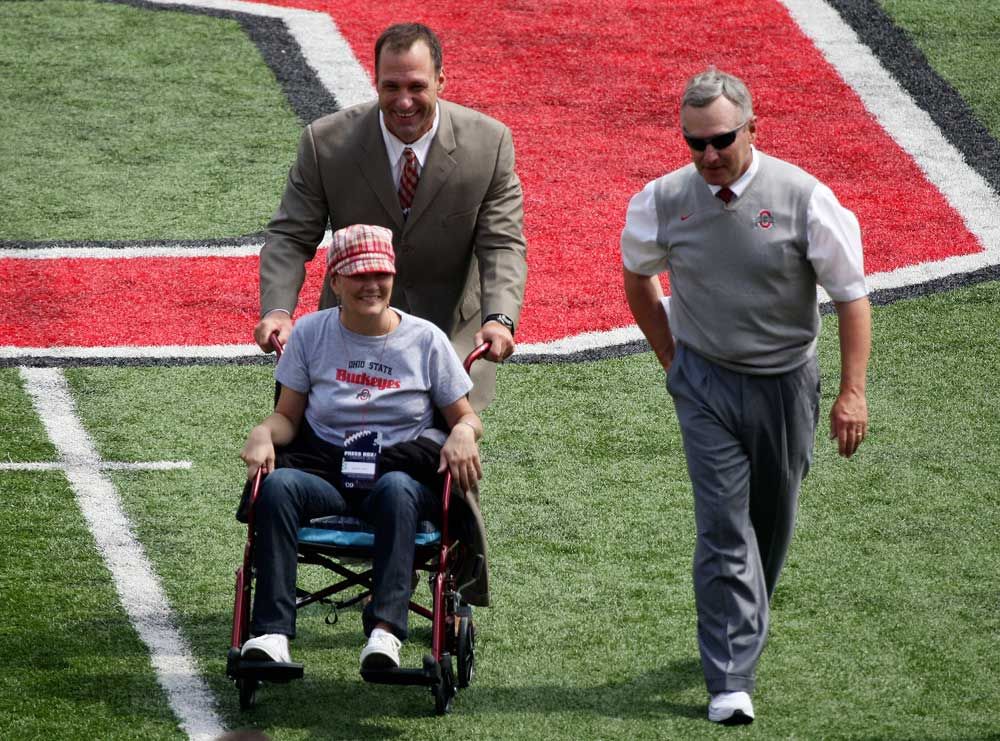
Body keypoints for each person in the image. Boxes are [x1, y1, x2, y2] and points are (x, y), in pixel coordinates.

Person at [621, 68, 871, 725]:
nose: (707, 155)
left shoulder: (804, 198)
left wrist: (852, 392)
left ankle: (748, 610)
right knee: (724, 528)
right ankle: (730, 677)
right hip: (704, 382)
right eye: (694, 142)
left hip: (786, 381)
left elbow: (850, 295)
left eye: (721, 140)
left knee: (772, 520)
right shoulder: (663, 199)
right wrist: (672, 359)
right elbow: (637, 274)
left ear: (753, 130)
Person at [240, 224, 487, 670]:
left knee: (395, 489)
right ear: (334, 280)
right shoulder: (312, 334)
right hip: (327, 470)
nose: (371, 284)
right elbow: (288, 418)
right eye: (357, 275)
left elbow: (465, 416)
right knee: (276, 488)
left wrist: (465, 433)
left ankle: (384, 634)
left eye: (380, 273)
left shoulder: (425, 339)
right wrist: (262, 431)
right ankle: (272, 633)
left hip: (399, 475)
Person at [255, 22, 527, 412]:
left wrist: (500, 318)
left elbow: (502, 242)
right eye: (391, 87)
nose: (403, 102)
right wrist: (278, 311)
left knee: (435, 464)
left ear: (441, 81)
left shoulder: (489, 143)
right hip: (350, 335)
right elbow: (290, 238)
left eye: (416, 87)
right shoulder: (325, 143)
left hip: (447, 341)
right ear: (376, 82)